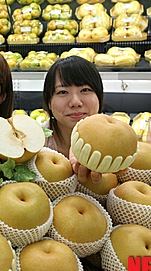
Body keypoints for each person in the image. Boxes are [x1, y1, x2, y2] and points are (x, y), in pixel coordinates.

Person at [41, 55, 104, 183]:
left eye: (85, 90)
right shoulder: (36, 142)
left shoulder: (115, 138)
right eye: (63, 92)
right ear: (49, 102)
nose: (75, 102)